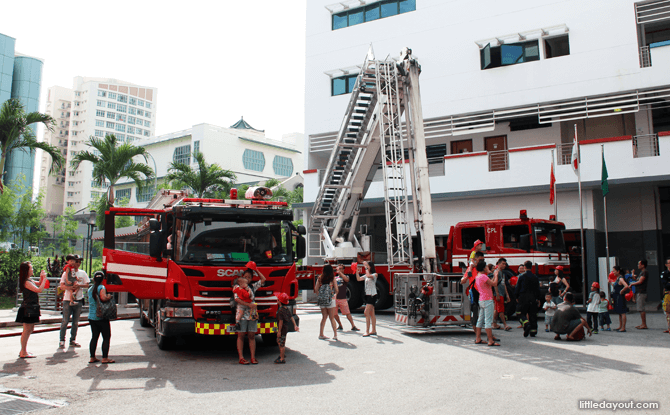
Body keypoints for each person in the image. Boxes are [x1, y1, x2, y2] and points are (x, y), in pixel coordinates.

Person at [234, 265, 266, 365]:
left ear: (251, 279)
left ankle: (253, 357)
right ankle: (241, 357)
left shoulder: (253, 287)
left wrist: (256, 269)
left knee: (252, 335)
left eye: (249, 277)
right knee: (241, 335)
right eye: (246, 276)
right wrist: (249, 305)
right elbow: (237, 299)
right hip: (241, 314)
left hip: (252, 315)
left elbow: (263, 279)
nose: (247, 278)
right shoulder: (237, 287)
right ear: (242, 276)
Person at [16, 262, 47, 358]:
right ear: (27, 270)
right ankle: (23, 352)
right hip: (28, 308)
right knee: (27, 330)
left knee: (29, 329)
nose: (32, 269)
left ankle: (23, 350)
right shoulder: (26, 281)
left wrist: (42, 277)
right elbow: (39, 290)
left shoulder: (30, 280)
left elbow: (39, 284)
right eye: (31, 268)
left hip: (31, 307)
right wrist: (45, 279)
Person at [58, 254, 90, 349]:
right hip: (67, 300)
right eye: (76, 261)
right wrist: (70, 287)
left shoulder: (82, 273)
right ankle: (62, 340)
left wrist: (79, 286)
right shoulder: (67, 272)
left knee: (75, 322)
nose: (78, 264)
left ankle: (72, 340)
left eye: (79, 262)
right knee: (65, 321)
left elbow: (87, 284)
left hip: (79, 299)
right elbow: (61, 286)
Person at [88, 273, 115, 364]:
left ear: (93, 279)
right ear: (103, 279)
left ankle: (92, 357)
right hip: (102, 316)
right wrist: (109, 296)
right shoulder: (101, 287)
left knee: (94, 337)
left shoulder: (89, 289)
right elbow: (103, 298)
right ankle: (105, 358)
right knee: (106, 337)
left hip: (92, 317)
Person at [473, 261, 500, 346]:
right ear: (484, 268)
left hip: (481, 299)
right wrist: (495, 275)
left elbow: (489, 284)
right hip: (488, 300)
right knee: (488, 320)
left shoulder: (478, 276)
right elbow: (494, 283)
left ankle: (478, 338)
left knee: (480, 320)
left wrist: (490, 274)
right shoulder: (484, 276)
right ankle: (490, 340)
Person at [515, 260, 541, 337]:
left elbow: (517, 288)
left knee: (520, 312)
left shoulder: (521, 276)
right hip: (533, 298)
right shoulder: (535, 277)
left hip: (523, 298)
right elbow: (537, 289)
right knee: (533, 314)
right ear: (531, 267)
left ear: (525, 267)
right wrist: (538, 299)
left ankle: (526, 323)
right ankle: (533, 331)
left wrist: (516, 297)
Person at [315, 264, 339, 340]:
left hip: (322, 300)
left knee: (324, 317)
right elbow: (337, 290)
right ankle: (335, 334)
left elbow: (316, 289)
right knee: (331, 317)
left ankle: (321, 334)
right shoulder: (332, 278)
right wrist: (334, 295)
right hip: (330, 299)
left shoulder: (320, 278)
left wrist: (321, 296)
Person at [461, 251, 485, 326]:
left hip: (483, 294)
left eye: (483, 260)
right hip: (475, 293)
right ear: (475, 259)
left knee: (484, 313)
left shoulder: (484, 269)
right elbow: (462, 281)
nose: (481, 262)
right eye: (480, 260)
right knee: (475, 312)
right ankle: (477, 333)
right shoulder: (471, 269)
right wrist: (468, 275)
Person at [274, 292, 299, 364]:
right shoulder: (287, 309)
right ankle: (282, 354)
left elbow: (281, 321)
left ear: (279, 301)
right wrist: (295, 325)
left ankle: (282, 358)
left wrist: (279, 331)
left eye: (278, 299)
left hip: (282, 329)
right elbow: (291, 317)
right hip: (286, 328)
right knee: (280, 341)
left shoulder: (280, 311)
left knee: (281, 343)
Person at [334, 264, 359, 331]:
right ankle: (340, 325)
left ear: (343, 269)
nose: (339, 270)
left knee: (347, 313)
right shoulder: (335, 278)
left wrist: (340, 273)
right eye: (338, 268)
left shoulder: (346, 276)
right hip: (335, 298)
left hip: (343, 298)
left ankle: (353, 326)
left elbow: (347, 280)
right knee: (334, 313)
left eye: (341, 268)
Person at [356, 261, 378, 337]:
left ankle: (367, 331)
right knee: (372, 313)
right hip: (368, 295)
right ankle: (374, 330)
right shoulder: (366, 275)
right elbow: (358, 279)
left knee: (366, 312)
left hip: (372, 295)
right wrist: (356, 271)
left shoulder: (374, 275)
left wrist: (365, 267)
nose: (367, 267)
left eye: (368, 266)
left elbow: (368, 276)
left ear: (371, 267)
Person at [492, 258, 512, 331]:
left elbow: (504, 285)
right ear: (499, 264)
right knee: (501, 310)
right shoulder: (497, 272)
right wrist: (497, 294)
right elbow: (495, 284)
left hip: (501, 293)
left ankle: (494, 324)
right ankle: (505, 325)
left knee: (497, 310)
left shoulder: (502, 272)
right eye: (503, 264)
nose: (504, 265)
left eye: (505, 264)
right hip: (499, 294)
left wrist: (507, 295)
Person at [630, 260, 649, 329]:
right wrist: (633, 274)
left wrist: (632, 284)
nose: (638, 265)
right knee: (640, 308)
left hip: (642, 292)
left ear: (643, 265)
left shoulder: (644, 272)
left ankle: (644, 324)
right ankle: (642, 324)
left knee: (641, 309)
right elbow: (637, 280)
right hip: (640, 292)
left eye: (639, 264)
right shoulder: (642, 272)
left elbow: (640, 282)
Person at [610, 265, 630, 332]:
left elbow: (626, 286)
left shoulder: (621, 278)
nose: (613, 272)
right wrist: (611, 283)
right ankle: (620, 326)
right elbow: (617, 287)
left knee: (622, 312)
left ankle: (623, 327)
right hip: (617, 297)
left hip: (620, 297)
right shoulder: (618, 278)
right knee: (619, 312)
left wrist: (622, 291)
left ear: (618, 271)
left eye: (614, 271)